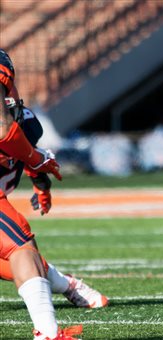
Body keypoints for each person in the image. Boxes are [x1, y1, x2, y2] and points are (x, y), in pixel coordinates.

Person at [0, 48, 82, 340]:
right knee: (21, 248)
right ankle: (48, 333)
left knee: (17, 253)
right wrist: (35, 159)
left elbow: (17, 137)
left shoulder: (26, 123)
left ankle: (67, 287)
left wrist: (40, 181)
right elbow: (3, 128)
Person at [0, 94, 109, 310]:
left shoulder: (21, 127)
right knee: (21, 256)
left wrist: (41, 182)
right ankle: (65, 285)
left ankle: (52, 321)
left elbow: (22, 149)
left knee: (21, 254)